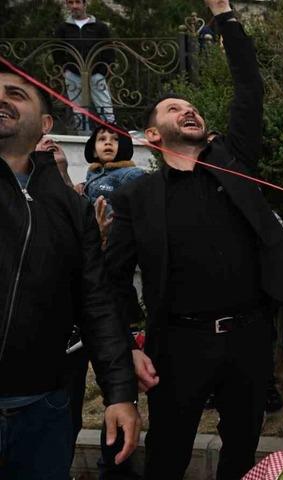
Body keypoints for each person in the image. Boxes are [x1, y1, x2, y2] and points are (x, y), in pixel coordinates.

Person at [105, 1, 283, 478]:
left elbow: (248, 87)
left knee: (242, 447)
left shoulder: (232, 161)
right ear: (154, 135)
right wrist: (128, 347)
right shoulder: (136, 197)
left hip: (250, 337)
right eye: (175, 109)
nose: (189, 110)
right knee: (169, 453)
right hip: (178, 344)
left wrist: (224, 13)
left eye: (192, 106)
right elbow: (112, 280)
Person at [0, 62, 140, 479]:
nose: (2, 99)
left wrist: (119, 392)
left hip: (44, 406)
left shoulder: (71, 207)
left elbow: (95, 302)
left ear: (45, 123)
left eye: (16, 94)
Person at [53, 0, 116, 128]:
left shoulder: (100, 27)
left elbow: (108, 49)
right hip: (73, 73)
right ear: (67, 5)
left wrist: (102, 70)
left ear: (85, 4)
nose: (74, 6)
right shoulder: (63, 28)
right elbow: (57, 50)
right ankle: (84, 138)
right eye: (71, 3)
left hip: (96, 73)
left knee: (104, 106)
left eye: (77, 2)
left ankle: (112, 132)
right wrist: (65, 69)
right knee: (79, 110)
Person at [80, 124, 145, 207]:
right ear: (94, 152)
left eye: (115, 139)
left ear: (124, 147)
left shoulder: (132, 174)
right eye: (102, 139)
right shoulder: (93, 172)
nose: (108, 143)